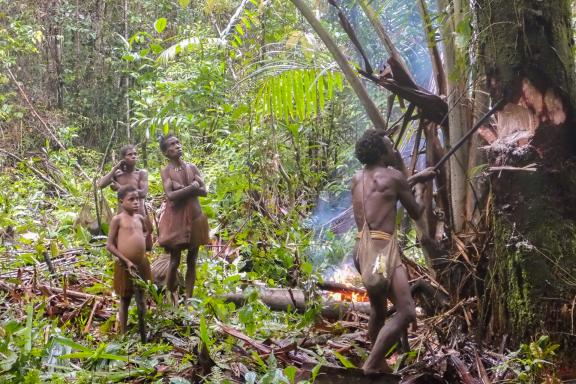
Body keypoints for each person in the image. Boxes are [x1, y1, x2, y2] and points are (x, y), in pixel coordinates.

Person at [351, 128, 435, 374]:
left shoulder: (357, 178)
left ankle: (380, 367)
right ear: (380, 151)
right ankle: (371, 365)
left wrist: (416, 179)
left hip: (361, 249)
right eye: (389, 146)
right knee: (407, 311)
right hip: (381, 250)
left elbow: (384, 194)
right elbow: (416, 211)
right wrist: (423, 189)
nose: (394, 150)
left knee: (378, 310)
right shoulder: (395, 177)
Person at [157, 134, 209, 304]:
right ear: (166, 152)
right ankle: (171, 296)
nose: (177, 146)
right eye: (172, 144)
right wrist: (192, 187)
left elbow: (204, 191)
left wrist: (187, 189)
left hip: (195, 218)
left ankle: (189, 298)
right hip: (176, 221)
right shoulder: (166, 171)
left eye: (178, 142)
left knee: (192, 260)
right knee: (174, 261)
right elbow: (171, 196)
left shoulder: (192, 167)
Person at [106, 185, 151, 342]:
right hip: (125, 265)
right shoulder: (117, 219)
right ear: (121, 201)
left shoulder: (139, 218)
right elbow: (109, 245)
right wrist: (126, 260)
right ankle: (123, 334)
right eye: (131, 199)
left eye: (137, 199)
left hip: (141, 263)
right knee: (125, 299)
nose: (135, 202)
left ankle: (143, 329)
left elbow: (147, 231)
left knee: (142, 296)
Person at [98, 144, 151, 248]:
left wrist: (120, 188)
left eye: (135, 154)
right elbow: (101, 184)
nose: (134, 156)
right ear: (123, 158)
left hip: (139, 214)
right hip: (122, 215)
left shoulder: (141, 173)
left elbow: (143, 193)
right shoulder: (118, 174)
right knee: (123, 245)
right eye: (130, 154)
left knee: (143, 247)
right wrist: (114, 168)